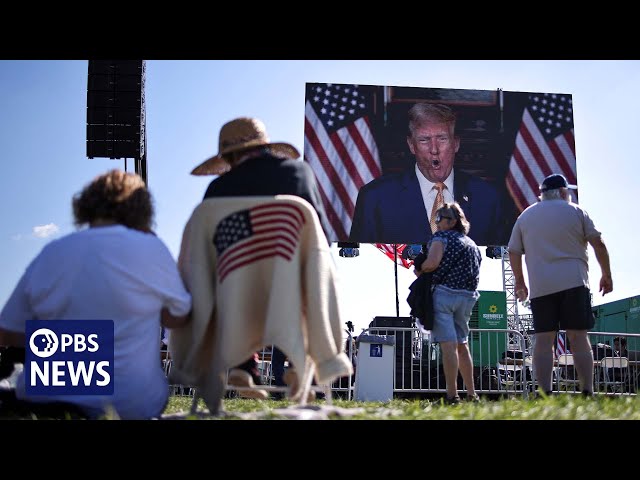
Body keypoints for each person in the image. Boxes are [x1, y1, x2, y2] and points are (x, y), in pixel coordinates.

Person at [0, 170, 192, 419]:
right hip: (132, 402)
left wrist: (71, 340)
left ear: (84, 205)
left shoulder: (52, 252)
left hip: (49, 395)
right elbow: (178, 317)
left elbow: (8, 332)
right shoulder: (151, 248)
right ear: (144, 210)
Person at [189, 116, 331, 400]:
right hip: (293, 279)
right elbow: (318, 231)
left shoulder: (217, 189)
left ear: (228, 156)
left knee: (231, 286)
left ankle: (243, 366)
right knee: (315, 275)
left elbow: (208, 248)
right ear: (265, 146)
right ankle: (299, 364)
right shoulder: (298, 172)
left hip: (236, 286)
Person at [508, 173, 613, 397]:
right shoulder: (576, 211)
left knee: (544, 340)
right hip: (574, 281)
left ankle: (545, 391)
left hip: (541, 285)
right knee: (578, 337)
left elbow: (514, 250)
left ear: (542, 194)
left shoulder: (526, 216)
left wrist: (520, 282)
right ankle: (587, 390)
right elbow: (599, 244)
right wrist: (606, 274)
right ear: (564, 192)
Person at [349, 103, 504, 245]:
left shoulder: (488, 197)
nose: (434, 150)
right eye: (424, 140)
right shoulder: (375, 198)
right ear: (411, 145)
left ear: (456, 143)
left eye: (442, 139)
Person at [414, 201, 481, 404]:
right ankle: (472, 394)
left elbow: (432, 262)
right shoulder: (472, 244)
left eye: (438, 219)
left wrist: (421, 268)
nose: (436, 223)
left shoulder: (441, 237)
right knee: (462, 345)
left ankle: (452, 395)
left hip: (444, 294)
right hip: (468, 297)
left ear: (450, 221)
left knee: (448, 346)